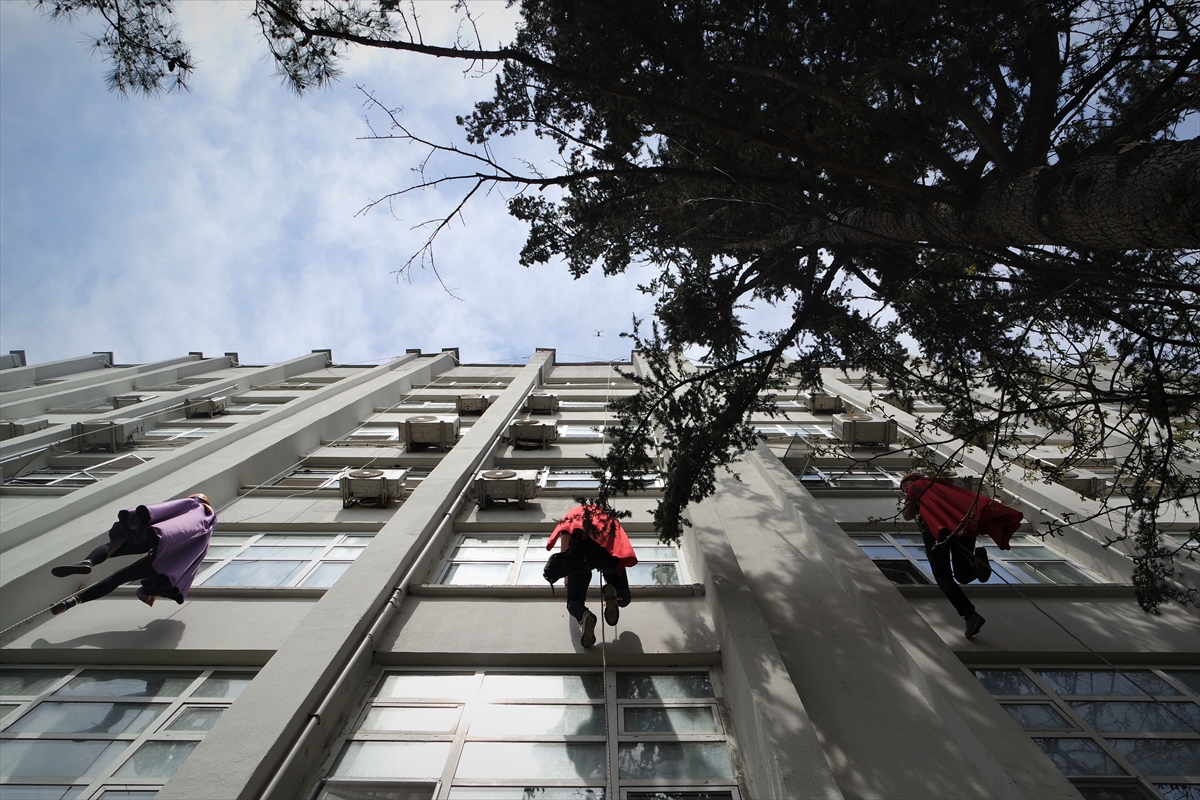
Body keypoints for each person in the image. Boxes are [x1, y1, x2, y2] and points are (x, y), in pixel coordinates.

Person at [900, 473, 1023, 639]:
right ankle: (979, 563)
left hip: (937, 530)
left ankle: (969, 615)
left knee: (943, 577)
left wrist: (909, 499)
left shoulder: (917, 487)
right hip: (962, 526)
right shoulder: (940, 486)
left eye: (905, 485)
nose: (906, 489)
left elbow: (907, 515)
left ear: (911, 482)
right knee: (963, 575)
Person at [49, 494, 216, 614]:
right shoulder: (206, 530)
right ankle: (71, 603)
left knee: (114, 546)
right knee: (118, 578)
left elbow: (168, 511)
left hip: (157, 535)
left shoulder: (195, 505)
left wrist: (144, 518)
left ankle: (88, 562)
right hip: (164, 558)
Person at [544, 504, 638, 647]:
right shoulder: (607, 517)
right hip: (608, 557)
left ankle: (584, 615)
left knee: (573, 602)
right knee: (625, 595)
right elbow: (619, 539)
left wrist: (567, 578)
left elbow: (565, 537)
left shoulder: (574, 513)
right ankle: (616, 595)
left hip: (581, 557)